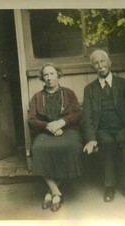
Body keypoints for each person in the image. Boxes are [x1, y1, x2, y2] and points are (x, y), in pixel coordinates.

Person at [82, 49, 125, 203]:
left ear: (109, 63)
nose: (100, 65)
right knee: (108, 143)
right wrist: (91, 139)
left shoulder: (123, 84)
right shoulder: (89, 89)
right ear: (93, 68)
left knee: (123, 141)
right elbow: (87, 117)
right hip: (102, 130)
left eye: (102, 61)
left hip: (122, 128)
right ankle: (109, 186)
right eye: (96, 63)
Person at [28, 63, 83, 212]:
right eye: (45, 75)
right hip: (46, 132)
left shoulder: (69, 93)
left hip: (68, 130)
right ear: (42, 78)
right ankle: (56, 192)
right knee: (38, 149)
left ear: (58, 75)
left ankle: (50, 192)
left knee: (71, 147)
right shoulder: (37, 97)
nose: (49, 78)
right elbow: (31, 119)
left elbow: (77, 113)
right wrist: (49, 127)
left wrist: (61, 122)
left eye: (52, 74)